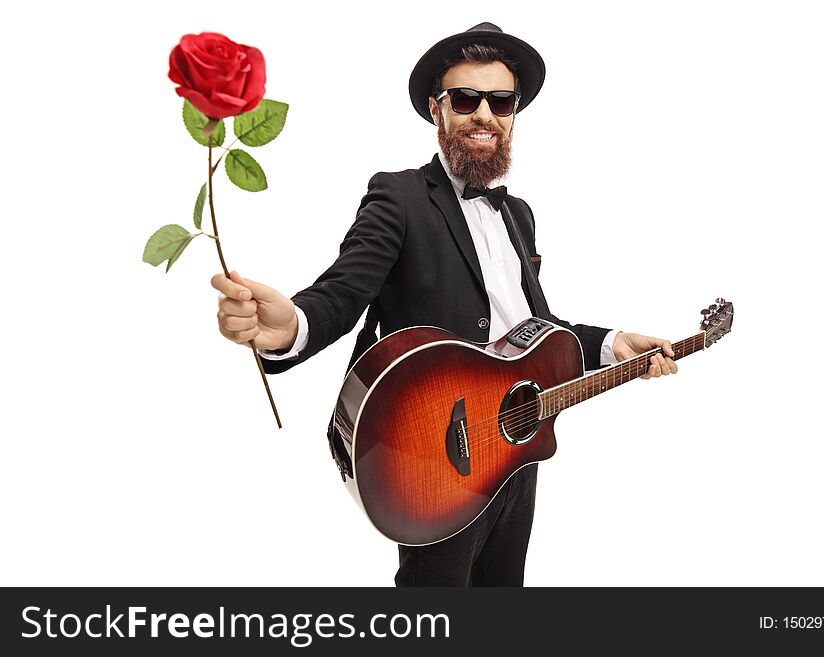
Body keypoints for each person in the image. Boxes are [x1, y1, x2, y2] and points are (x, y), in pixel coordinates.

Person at [211, 23, 678, 586]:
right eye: (466, 99)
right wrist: (293, 324)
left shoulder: (519, 215)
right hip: (434, 454)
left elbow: (532, 329)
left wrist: (610, 343)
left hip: (516, 442)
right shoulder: (399, 195)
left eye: (500, 101)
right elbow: (345, 289)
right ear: (438, 111)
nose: (485, 114)